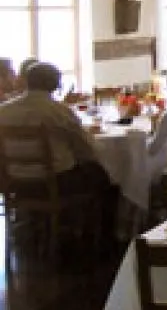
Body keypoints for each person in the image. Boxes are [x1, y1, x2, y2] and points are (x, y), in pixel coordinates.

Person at [0, 63, 115, 241]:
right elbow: (87, 149)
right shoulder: (58, 111)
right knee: (103, 176)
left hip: (17, 184)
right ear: (55, 84)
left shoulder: (4, 111)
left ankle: (39, 225)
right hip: (55, 183)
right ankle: (100, 237)